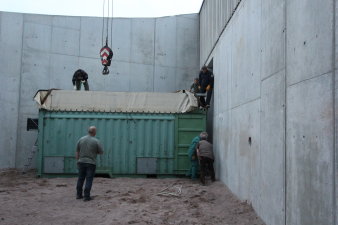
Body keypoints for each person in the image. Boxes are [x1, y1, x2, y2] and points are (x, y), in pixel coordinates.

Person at [75, 126, 103, 201]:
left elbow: (77, 151)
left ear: (88, 131)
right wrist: (94, 151)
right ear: (94, 132)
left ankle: (78, 195)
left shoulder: (81, 139)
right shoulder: (96, 141)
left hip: (81, 162)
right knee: (89, 179)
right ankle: (86, 196)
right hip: (91, 163)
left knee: (80, 178)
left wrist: (78, 160)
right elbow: (101, 152)